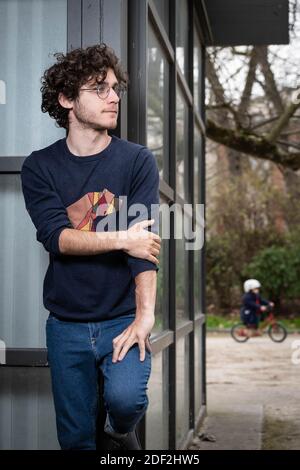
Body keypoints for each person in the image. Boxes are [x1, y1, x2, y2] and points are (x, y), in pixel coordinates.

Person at [21, 44, 161, 450]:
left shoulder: (136, 161)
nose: (114, 96)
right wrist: (123, 238)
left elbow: (145, 248)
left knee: (125, 400)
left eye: (115, 88)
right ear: (67, 99)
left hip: (121, 317)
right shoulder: (40, 167)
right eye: (99, 88)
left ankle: (118, 433)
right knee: (78, 439)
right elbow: (58, 238)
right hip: (66, 325)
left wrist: (145, 315)